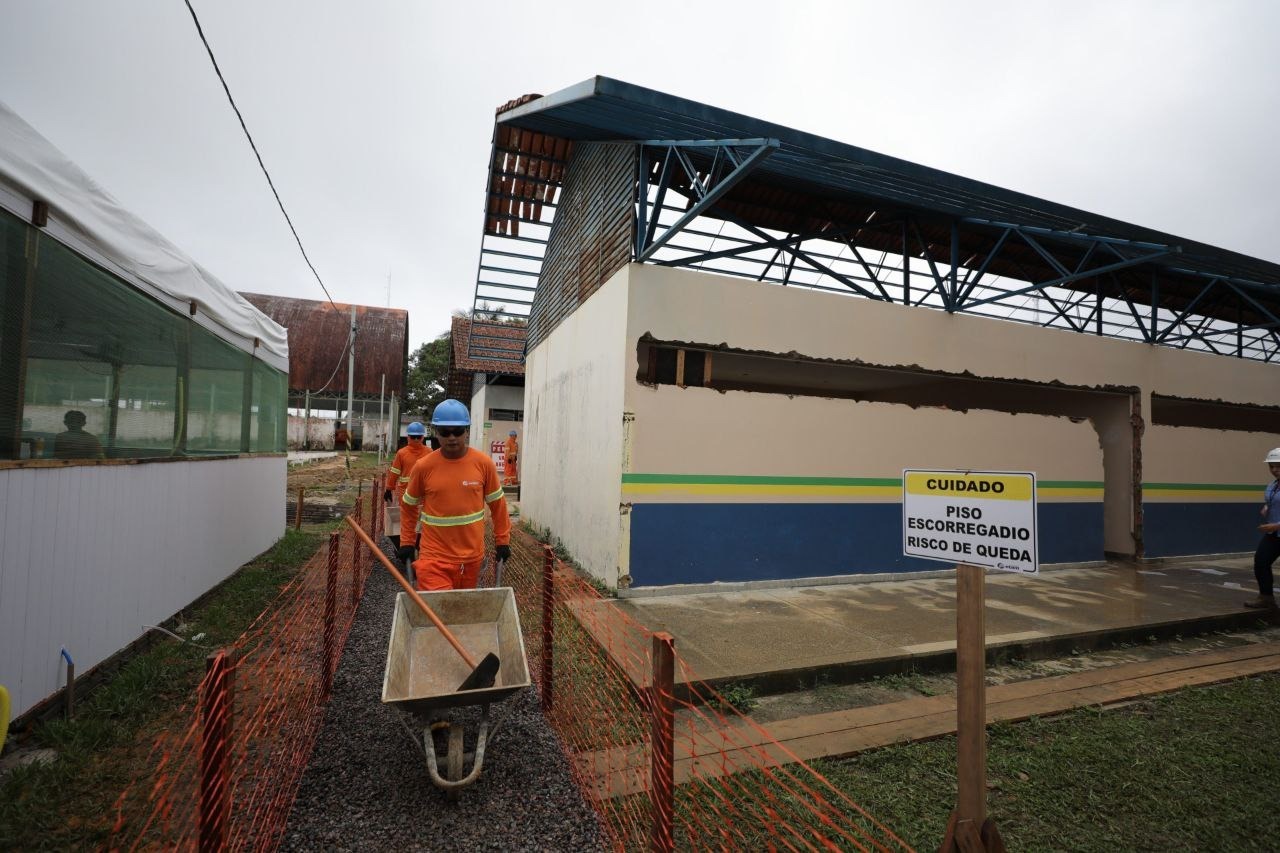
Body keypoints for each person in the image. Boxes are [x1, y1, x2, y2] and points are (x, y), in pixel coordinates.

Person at [398, 399, 511, 591]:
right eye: (445, 432)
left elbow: (498, 506)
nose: (452, 438)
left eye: (458, 431)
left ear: (467, 431)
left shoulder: (483, 464)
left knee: (461, 613)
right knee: (439, 611)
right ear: (435, 432)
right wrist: (407, 541)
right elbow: (409, 506)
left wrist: (503, 541)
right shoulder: (423, 467)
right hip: (433, 557)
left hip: (471, 558)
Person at [1244, 447, 1280, 610]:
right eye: (1271, 466)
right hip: (1274, 534)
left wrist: (1277, 524)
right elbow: (1273, 500)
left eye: (1278, 466)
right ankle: (1266, 598)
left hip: (1276, 527)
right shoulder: (1273, 485)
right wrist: (1267, 507)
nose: (1274, 470)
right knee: (1261, 561)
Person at [384, 421, 431, 505]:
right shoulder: (401, 453)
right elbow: (394, 472)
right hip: (406, 493)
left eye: (418, 437)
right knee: (409, 517)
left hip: (424, 494)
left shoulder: (430, 452)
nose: (416, 439)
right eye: (413, 437)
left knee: (419, 517)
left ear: (423, 437)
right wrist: (389, 489)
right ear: (408, 437)